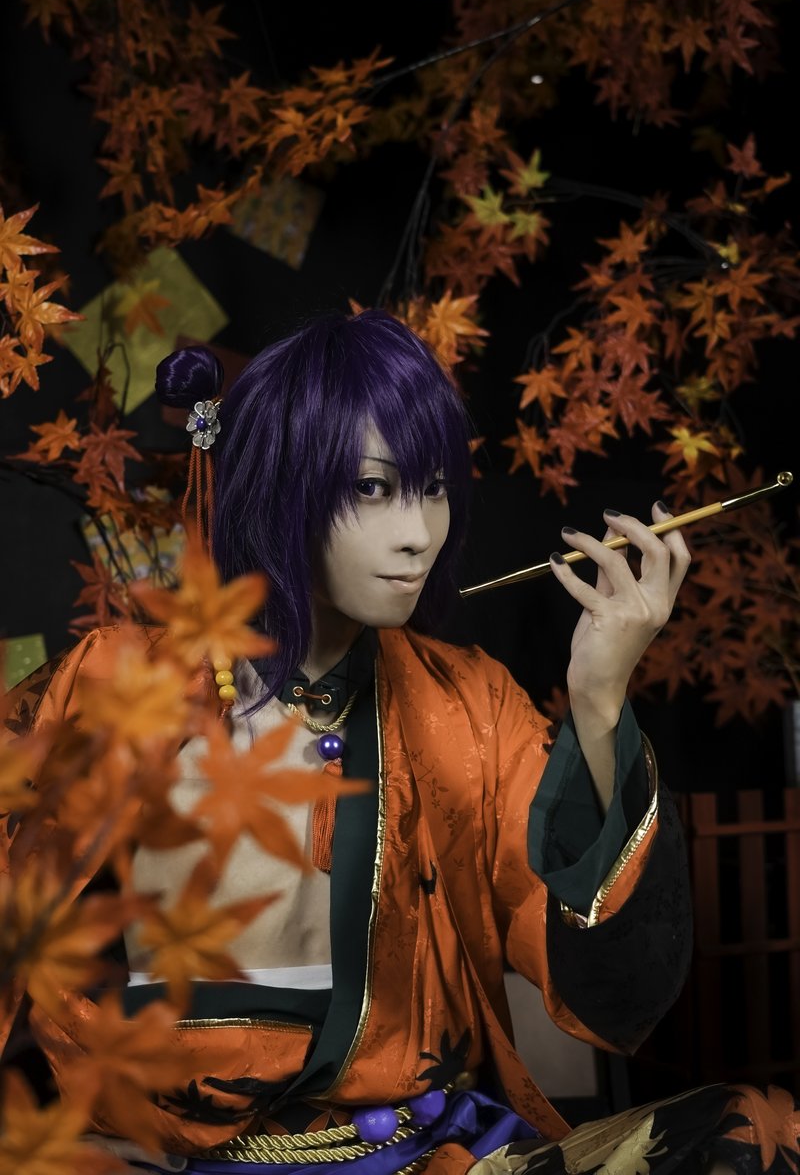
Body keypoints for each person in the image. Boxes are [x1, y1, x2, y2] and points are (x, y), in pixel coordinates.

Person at [1, 311, 795, 1175]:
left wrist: (598, 700)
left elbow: (616, 991)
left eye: (433, 488)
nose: (419, 533)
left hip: (425, 1156)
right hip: (179, 1163)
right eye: (374, 489)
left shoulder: (469, 706)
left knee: (752, 1129)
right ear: (276, 488)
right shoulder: (112, 685)